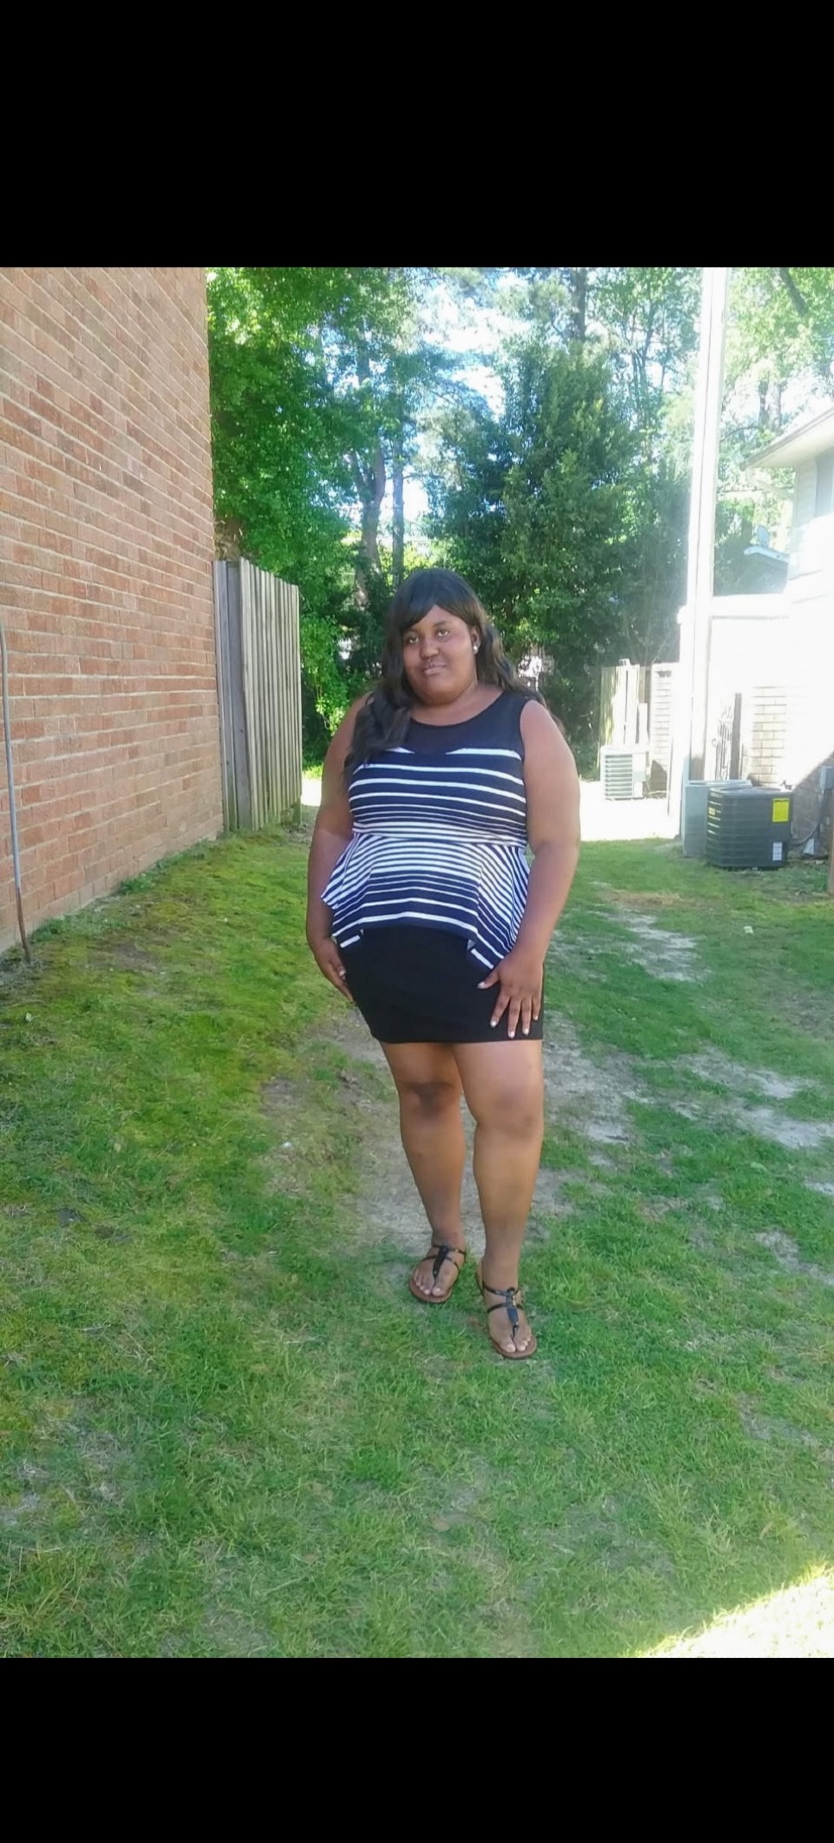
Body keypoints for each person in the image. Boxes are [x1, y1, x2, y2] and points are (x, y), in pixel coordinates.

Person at [306, 569, 580, 1360]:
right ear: (397, 648)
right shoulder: (369, 716)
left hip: (491, 954)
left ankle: (502, 1282)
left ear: (475, 635)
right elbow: (333, 824)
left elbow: (557, 842)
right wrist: (317, 916)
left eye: (443, 631)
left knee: (510, 1110)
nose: (428, 649)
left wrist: (531, 951)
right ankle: (445, 1240)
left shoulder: (524, 719)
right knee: (425, 1095)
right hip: (386, 951)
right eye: (412, 636)